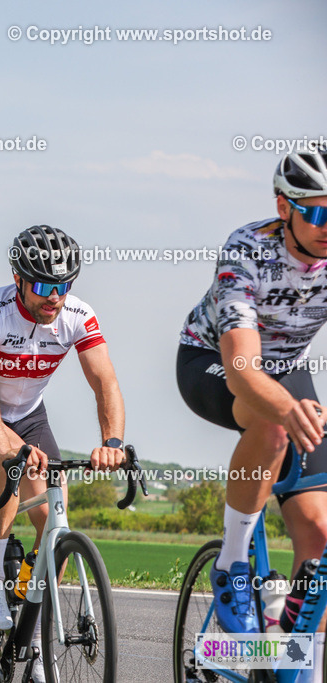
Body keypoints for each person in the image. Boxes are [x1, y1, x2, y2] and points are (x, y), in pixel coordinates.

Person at [0, 225, 125, 681]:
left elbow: (104, 381)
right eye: (43, 286)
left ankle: (37, 634)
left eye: (63, 285)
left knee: (54, 522)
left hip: (29, 415)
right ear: (18, 279)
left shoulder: (78, 314)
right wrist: (11, 447)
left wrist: (112, 442)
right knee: (10, 464)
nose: (54, 297)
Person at [177, 147, 327, 644]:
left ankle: (291, 654)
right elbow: (242, 369)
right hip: (213, 361)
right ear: (284, 207)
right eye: (318, 214)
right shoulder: (248, 249)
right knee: (273, 421)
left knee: (319, 532)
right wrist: (286, 407)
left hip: (287, 370)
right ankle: (232, 563)